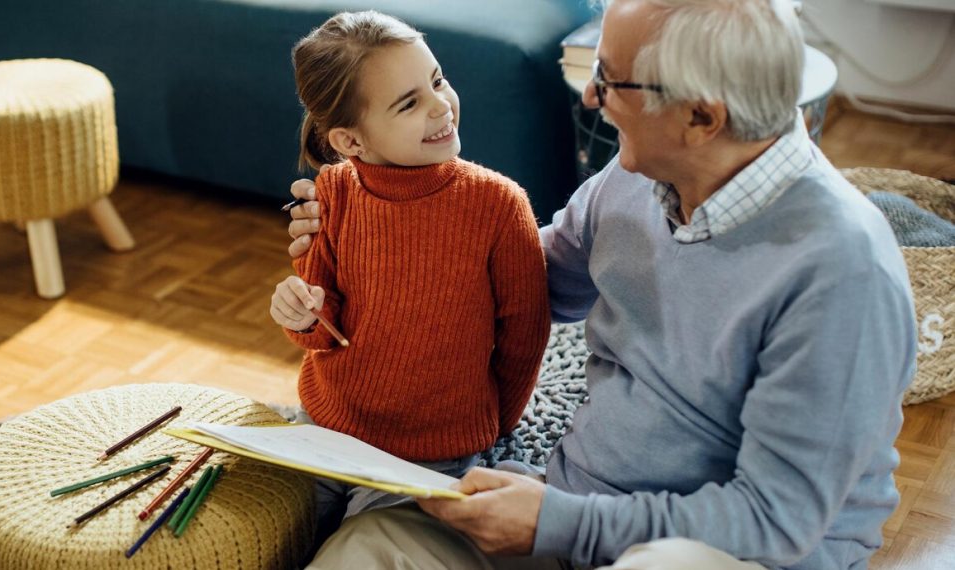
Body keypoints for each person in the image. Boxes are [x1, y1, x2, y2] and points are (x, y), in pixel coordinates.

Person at [284, 1, 917, 568]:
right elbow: (522, 281)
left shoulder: (842, 272)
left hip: (721, 548)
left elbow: (775, 521)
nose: (590, 95)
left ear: (701, 116)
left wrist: (560, 523)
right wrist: (373, 239)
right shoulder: (641, 176)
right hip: (575, 506)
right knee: (368, 550)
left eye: (611, 79)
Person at [269, 11, 551, 535]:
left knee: (364, 551)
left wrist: (496, 423)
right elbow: (320, 328)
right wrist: (302, 315)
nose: (441, 105)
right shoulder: (332, 194)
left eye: (437, 81)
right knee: (267, 529)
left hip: (431, 452)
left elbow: (525, 333)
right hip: (326, 425)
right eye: (409, 103)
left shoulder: (498, 204)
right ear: (350, 142)